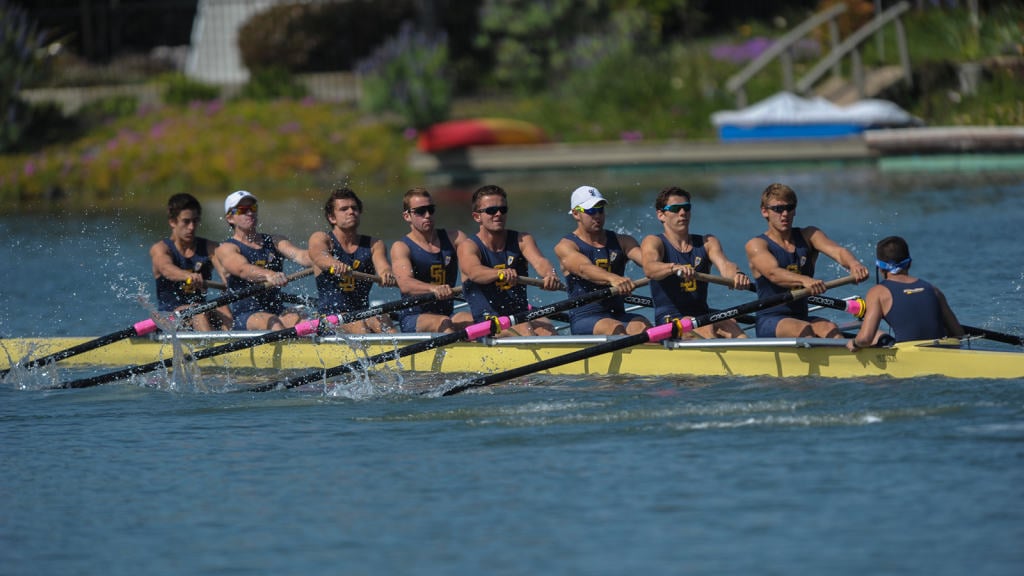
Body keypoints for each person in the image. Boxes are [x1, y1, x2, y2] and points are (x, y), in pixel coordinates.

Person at [745, 182, 869, 338]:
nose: (784, 214)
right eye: (778, 209)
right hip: (771, 320)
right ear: (765, 212)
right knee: (804, 331)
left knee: (830, 329)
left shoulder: (809, 235)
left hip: (802, 317)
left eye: (789, 208)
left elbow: (838, 252)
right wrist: (804, 280)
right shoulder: (756, 245)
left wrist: (854, 264)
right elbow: (773, 273)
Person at [641, 186, 750, 339]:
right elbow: (650, 268)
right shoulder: (654, 241)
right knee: (703, 328)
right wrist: (673, 268)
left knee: (730, 323)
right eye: (676, 209)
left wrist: (737, 275)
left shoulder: (707, 242)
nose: (682, 213)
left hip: (702, 316)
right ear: (661, 215)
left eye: (686, 208)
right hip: (669, 321)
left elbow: (725, 265)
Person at [458, 184, 564, 337]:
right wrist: (499, 273)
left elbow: (540, 262)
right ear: (477, 217)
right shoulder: (468, 246)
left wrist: (550, 275)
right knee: (524, 329)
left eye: (503, 209)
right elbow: (475, 272)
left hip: (519, 315)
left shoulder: (522, 239)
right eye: (491, 210)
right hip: (486, 321)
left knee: (546, 327)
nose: (498, 214)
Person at [553, 185, 650, 335]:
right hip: (585, 319)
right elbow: (583, 268)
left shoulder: (623, 241)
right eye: (591, 211)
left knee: (644, 327)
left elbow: (648, 262)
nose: (597, 215)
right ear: (576, 214)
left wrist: (669, 268)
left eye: (600, 209)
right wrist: (613, 279)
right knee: (614, 328)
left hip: (619, 315)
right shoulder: (566, 246)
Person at [215, 190, 313, 331]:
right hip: (247, 316)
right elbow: (243, 269)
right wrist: (269, 274)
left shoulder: (275, 241)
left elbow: (302, 256)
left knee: (304, 321)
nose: (250, 213)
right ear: (230, 218)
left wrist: (325, 259)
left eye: (253, 208)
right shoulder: (226, 248)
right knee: (274, 323)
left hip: (277, 309)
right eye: (243, 210)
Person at [847, 235, 963, 351]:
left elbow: (865, 339)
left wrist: (855, 343)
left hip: (909, 356)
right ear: (909, 263)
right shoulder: (933, 289)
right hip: (942, 352)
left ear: (880, 268)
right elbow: (958, 333)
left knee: (870, 332)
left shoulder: (877, 293)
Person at [309, 187, 397, 334]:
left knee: (383, 321)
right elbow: (319, 256)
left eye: (354, 208)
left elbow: (383, 268)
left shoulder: (374, 244)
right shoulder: (322, 238)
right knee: (360, 326)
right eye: (344, 209)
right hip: (330, 320)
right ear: (332, 218)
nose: (351, 212)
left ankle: (403, 352)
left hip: (361, 314)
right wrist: (334, 264)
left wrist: (387, 274)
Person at [390, 187, 473, 333]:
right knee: (444, 323)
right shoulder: (401, 247)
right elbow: (405, 284)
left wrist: (471, 284)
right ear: (407, 216)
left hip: (448, 314)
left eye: (430, 209)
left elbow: (472, 269)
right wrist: (433, 288)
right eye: (421, 211)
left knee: (477, 321)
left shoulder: (456, 238)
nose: (427, 215)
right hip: (414, 318)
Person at [149, 193, 232, 331]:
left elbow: (227, 275)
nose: (192, 227)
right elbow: (166, 269)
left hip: (200, 312)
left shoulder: (210, 248)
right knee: (197, 310)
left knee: (222, 307)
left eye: (195, 221)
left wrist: (233, 281)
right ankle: (212, 350)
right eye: (186, 221)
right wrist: (187, 276)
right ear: (172, 222)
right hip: (170, 317)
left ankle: (235, 347)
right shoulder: (161, 249)